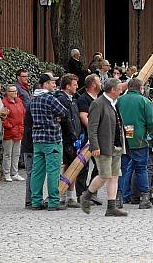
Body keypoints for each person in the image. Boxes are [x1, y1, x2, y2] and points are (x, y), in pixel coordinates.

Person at [80, 78, 128, 217]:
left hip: (116, 146)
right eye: (119, 88)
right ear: (113, 90)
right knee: (104, 176)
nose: (121, 90)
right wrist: (94, 145)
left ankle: (111, 207)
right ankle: (87, 196)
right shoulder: (98, 104)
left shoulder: (114, 103)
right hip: (103, 146)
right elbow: (92, 127)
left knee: (114, 176)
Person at [117, 78, 153, 210]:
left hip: (123, 140)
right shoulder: (145, 101)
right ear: (141, 88)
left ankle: (118, 198)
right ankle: (144, 198)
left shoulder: (119, 100)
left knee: (122, 170)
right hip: (139, 139)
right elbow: (151, 124)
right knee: (141, 169)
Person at [30, 73, 68, 211]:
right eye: (52, 83)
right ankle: (53, 202)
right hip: (52, 140)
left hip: (37, 140)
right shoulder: (49, 99)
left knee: (37, 171)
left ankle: (36, 201)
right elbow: (64, 111)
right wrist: (56, 118)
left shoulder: (33, 99)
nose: (54, 85)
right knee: (53, 171)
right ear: (45, 84)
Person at [55, 74, 82, 208]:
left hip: (74, 137)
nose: (77, 86)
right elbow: (66, 120)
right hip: (67, 139)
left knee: (73, 167)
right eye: (74, 84)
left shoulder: (72, 99)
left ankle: (71, 196)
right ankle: (63, 196)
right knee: (68, 167)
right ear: (67, 86)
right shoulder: (62, 99)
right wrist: (73, 137)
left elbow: (75, 119)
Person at [75, 74, 101, 202]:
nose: (101, 83)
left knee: (100, 165)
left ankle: (91, 191)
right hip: (86, 137)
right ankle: (81, 194)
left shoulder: (98, 98)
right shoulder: (84, 99)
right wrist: (94, 130)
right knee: (83, 167)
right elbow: (83, 116)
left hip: (97, 137)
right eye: (99, 81)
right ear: (93, 85)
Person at [1, 85, 26, 183]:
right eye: (12, 91)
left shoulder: (19, 101)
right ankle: (6, 173)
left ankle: (15, 173)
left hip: (19, 130)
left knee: (16, 153)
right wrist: (9, 125)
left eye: (15, 91)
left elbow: (23, 113)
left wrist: (22, 125)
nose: (15, 93)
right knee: (7, 154)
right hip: (9, 131)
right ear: (7, 92)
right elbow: (3, 117)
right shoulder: (4, 102)